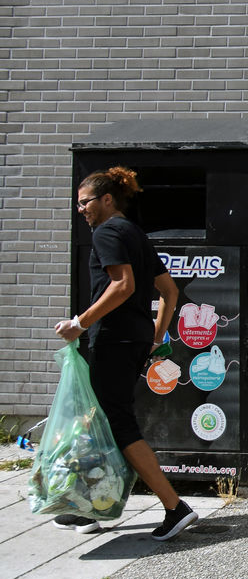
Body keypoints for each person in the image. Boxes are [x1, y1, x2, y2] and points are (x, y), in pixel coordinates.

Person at [54, 166, 199, 539]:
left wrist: (80, 323)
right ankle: (88, 507)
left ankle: (175, 507)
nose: (80, 210)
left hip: (113, 340)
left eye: (85, 202)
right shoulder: (134, 233)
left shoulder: (107, 232)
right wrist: (155, 337)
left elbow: (123, 285)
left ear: (106, 199)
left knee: (117, 423)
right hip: (132, 340)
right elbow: (170, 291)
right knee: (98, 420)